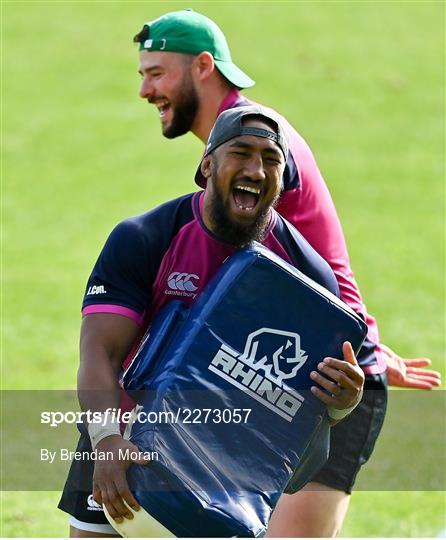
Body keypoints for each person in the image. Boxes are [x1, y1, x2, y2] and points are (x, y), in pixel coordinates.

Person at [130, 10, 441, 537]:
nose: (145, 89)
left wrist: (356, 341)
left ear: (203, 67)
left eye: (156, 73)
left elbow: (287, 267)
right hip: (282, 367)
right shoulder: (240, 143)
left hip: (325, 379)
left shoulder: (260, 145)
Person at [58, 106, 366, 537]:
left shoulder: (308, 274)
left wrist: (341, 401)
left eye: (271, 159)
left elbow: (306, 407)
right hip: (124, 438)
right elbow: (99, 353)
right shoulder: (147, 237)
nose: (256, 170)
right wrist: (107, 440)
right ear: (206, 166)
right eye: (241, 153)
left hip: (225, 468)